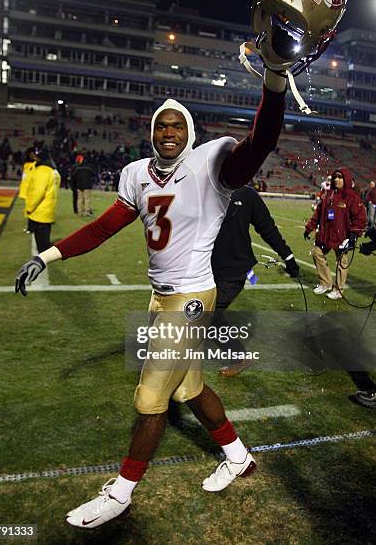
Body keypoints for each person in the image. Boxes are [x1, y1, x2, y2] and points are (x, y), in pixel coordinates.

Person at [15, 64, 286, 527]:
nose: (168, 131)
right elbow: (103, 228)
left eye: (177, 124)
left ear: (190, 132)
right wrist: (50, 255)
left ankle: (121, 492)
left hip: (192, 297)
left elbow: (261, 141)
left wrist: (275, 78)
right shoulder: (137, 174)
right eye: (161, 124)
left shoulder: (212, 166)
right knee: (188, 387)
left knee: (149, 397)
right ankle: (238, 457)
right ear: (151, 131)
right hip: (161, 296)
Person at [211, 186, 299, 376]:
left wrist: (288, 257)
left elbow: (267, 228)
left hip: (234, 270)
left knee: (209, 312)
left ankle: (239, 357)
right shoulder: (205, 188)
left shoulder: (246, 194)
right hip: (205, 268)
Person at [304, 168, 367, 300]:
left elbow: (360, 218)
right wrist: (309, 228)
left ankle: (338, 289)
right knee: (317, 253)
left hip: (342, 237)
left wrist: (354, 235)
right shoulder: (328, 194)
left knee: (341, 262)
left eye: (340, 177)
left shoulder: (352, 197)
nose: (336, 179)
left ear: (346, 179)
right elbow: (318, 213)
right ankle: (326, 283)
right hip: (326, 234)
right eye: (335, 177)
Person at [25, 147, 61, 253]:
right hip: (48, 209)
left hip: (40, 210)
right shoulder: (53, 171)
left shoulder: (42, 171)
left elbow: (38, 193)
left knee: (41, 246)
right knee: (45, 237)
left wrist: (29, 207)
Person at [18, 148, 37, 232]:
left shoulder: (36, 165)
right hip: (27, 190)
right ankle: (30, 226)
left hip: (32, 190)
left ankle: (32, 227)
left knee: (32, 209)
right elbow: (24, 178)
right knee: (28, 209)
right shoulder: (26, 165)